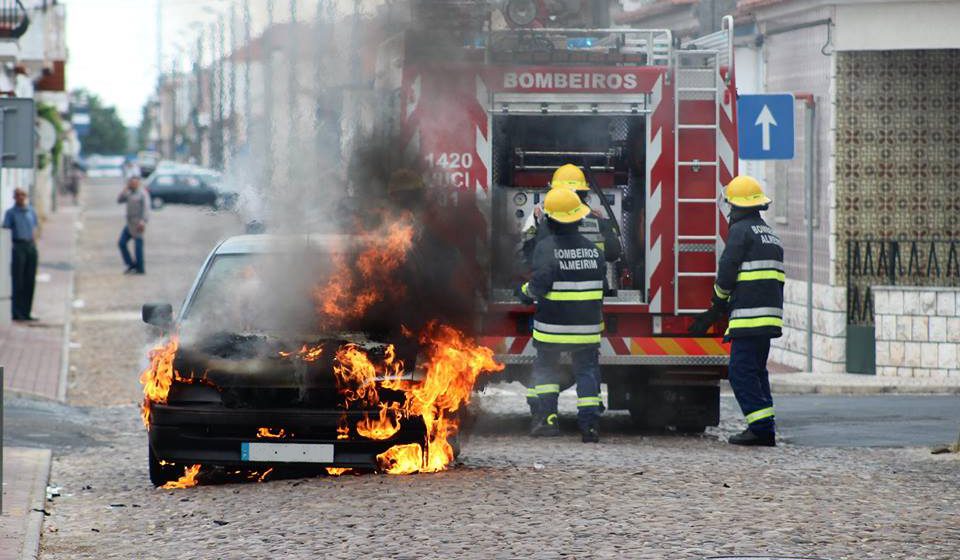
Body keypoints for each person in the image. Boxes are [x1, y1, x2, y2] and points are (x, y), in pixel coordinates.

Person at [688, 175, 784, 447]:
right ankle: (766, 426)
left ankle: (760, 429)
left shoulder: (741, 231)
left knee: (741, 373)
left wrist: (716, 305)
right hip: (767, 318)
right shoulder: (769, 233)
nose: (729, 210)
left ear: (738, 206)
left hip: (749, 318)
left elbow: (728, 269)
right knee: (756, 372)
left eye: (731, 205)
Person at [518, 163, 621, 416]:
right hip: (589, 302)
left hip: (553, 307)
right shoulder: (598, 219)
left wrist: (524, 291)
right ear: (584, 193)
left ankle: (543, 415)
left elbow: (534, 259)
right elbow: (614, 254)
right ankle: (590, 418)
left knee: (546, 363)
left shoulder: (546, 221)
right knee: (586, 364)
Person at [516, 187, 605, 443]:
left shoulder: (546, 248)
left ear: (550, 220)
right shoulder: (593, 251)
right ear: (579, 218)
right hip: (587, 329)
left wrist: (522, 292)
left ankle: (547, 420)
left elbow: (539, 285)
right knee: (587, 371)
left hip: (552, 328)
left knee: (546, 370)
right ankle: (589, 426)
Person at [520, 163, 622, 267]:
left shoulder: (547, 223)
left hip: (558, 280)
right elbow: (614, 254)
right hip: (591, 280)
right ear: (583, 193)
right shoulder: (598, 222)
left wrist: (535, 223)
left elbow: (530, 257)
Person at [3, 188, 39, 321]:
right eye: (18, 195)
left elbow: (35, 227)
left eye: (23, 195)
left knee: (30, 280)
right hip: (18, 246)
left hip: (30, 246)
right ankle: (17, 312)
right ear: (14, 198)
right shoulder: (11, 213)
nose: (21, 198)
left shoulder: (31, 211)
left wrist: (34, 244)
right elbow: (6, 231)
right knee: (18, 280)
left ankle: (27, 311)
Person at [117, 176, 150, 274]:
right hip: (129, 224)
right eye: (131, 183)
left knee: (138, 247)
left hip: (138, 224)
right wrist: (125, 189)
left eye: (135, 183)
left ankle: (140, 268)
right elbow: (119, 200)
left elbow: (146, 209)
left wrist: (143, 221)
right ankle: (130, 264)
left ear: (138, 183)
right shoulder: (129, 193)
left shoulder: (142, 194)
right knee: (122, 243)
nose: (133, 185)